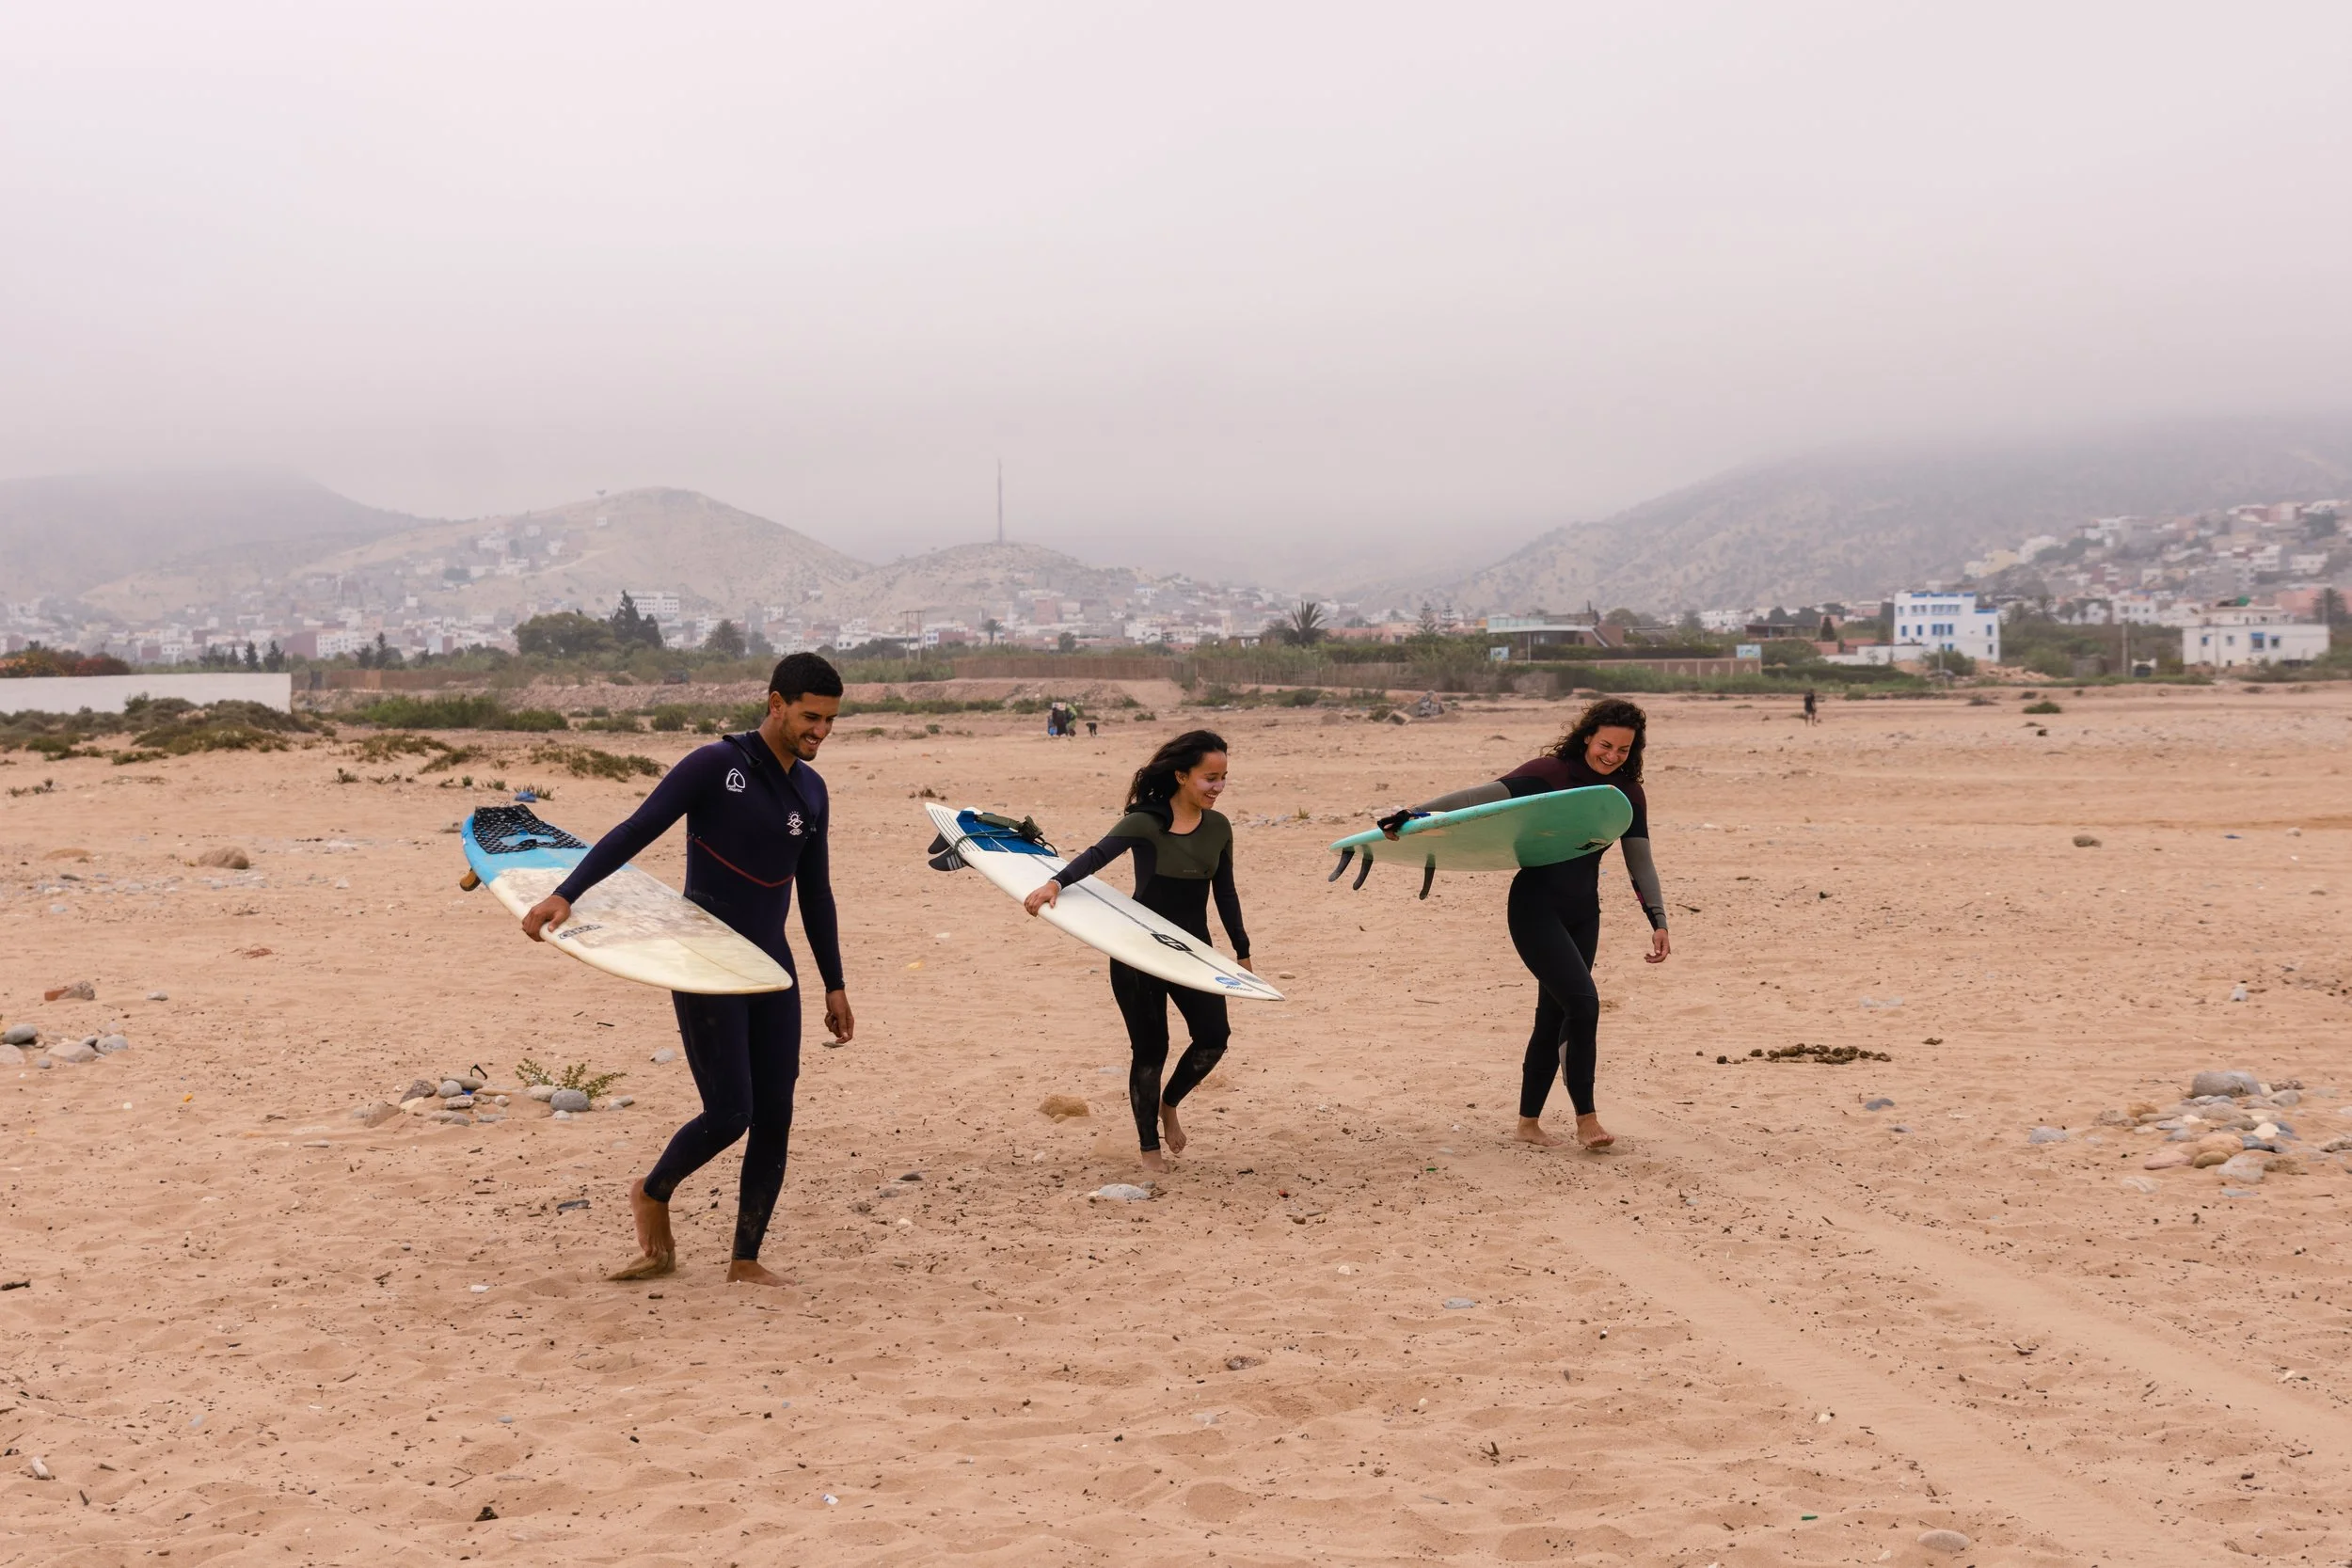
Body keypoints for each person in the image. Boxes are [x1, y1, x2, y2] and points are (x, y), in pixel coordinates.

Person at [519, 652, 854, 1285]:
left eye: (831, 720)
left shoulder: (812, 791)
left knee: (776, 1113)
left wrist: (834, 983)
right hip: (703, 960)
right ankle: (652, 1191)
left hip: (770, 966)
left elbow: (816, 893)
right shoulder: (715, 765)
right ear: (776, 704)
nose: (821, 731)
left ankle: (745, 1259)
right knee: (730, 1113)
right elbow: (636, 829)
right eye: (811, 717)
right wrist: (567, 893)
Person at [1376, 697, 1668, 1150]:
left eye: (1623, 750)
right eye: (1605, 745)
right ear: (1587, 737)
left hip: (1584, 913)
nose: (1612, 756)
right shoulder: (1551, 773)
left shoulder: (1625, 795)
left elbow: (1640, 861)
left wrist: (1658, 919)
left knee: (1554, 1014)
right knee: (1584, 1004)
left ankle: (1528, 1124)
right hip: (1536, 906)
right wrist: (1413, 813)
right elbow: (1476, 799)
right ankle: (1586, 1119)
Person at [1023, 730, 1252, 1172]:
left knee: (1213, 1038)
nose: (1219, 787)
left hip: (1190, 951)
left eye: (1224, 777)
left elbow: (1225, 893)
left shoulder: (1219, 828)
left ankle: (1170, 1103)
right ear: (1181, 776)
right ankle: (1149, 1148)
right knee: (1151, 1049)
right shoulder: (1146, 822)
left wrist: (1241, 954)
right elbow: (1096, 856)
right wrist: (1055, 883)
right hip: (1137, 952)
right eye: (1210, 778)